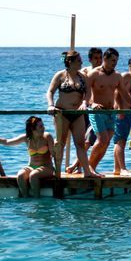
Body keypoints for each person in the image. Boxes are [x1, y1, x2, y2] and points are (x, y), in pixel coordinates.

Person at [46, 50, 98, 178]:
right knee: (60, 143)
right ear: (70, 62)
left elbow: (88, 93)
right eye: (79, 60)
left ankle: (87, 172)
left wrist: (85, 103)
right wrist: (51, 105)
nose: (81, 62)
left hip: (77, 114)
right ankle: (56, 172)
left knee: (80, 143)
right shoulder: (60, 75)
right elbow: (50, 92)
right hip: (62, 113)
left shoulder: (83, 76)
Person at [0, 116, 58, 197]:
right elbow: (7, 142)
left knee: (33, 175)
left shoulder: (47, 136)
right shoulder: (26, 138)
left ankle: (37, 200)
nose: (43, 128)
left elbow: (53, 154)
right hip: (31, 167)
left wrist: (55, 147)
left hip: (46, 167)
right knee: (20, 175)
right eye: (40, 126)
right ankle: (25, 199)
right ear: (32, 129)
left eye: (43, 125)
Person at [86, 48, 131, 174]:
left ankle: (92, 168)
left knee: (106, 143)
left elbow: (125, 94)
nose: (114, 63)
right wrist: (92, 103)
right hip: (97, 112)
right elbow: (86, 93)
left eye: (116, 61)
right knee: (102, 140)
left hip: (111, 113)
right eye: (112, 60)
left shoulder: (117, 76)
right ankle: (88, 166)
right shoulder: (94, 74)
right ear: (105, 59)